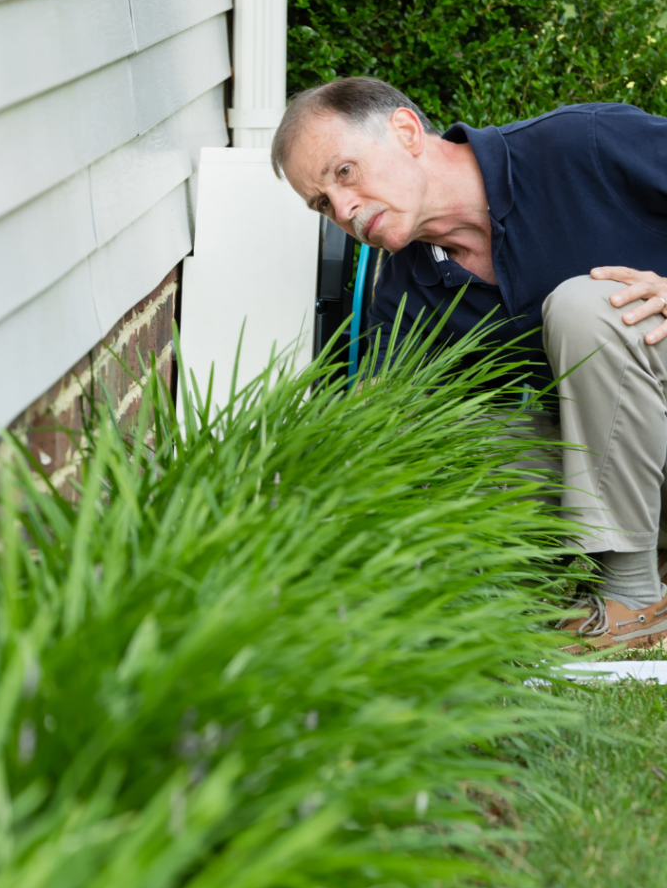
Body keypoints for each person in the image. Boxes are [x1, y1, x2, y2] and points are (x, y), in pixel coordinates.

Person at [271, 76, 667, 649]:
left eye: (344, 172)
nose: (345, 210)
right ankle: (639, 556)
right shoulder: (408, 293)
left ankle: (633, 597)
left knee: (590, 307)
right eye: (323, 204)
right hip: (643, 468)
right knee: (428, 440)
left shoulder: (585, 145)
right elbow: (372, 428)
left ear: (406, 131)